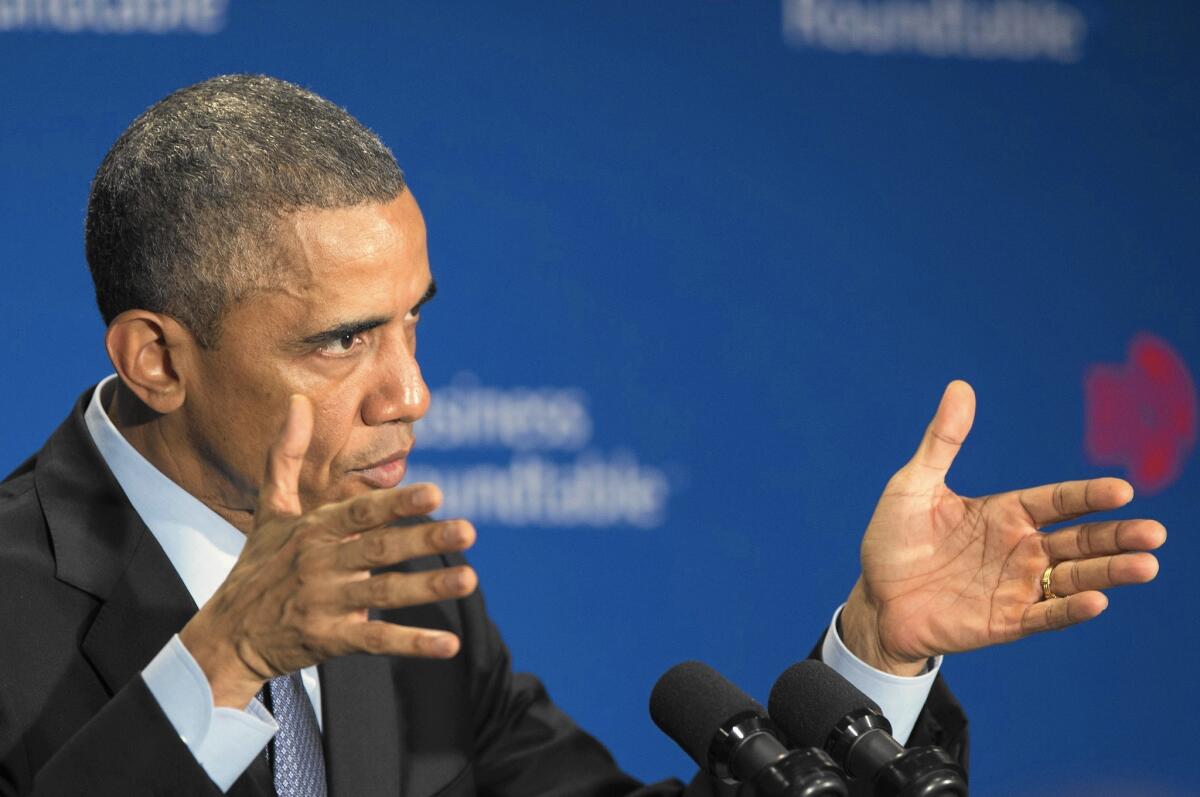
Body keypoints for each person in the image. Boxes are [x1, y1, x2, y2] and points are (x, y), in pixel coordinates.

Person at [0, 75, 1165, 797]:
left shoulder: (407, 592)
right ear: (158, 357)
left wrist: (875, 656)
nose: (412, 393)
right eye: (342, 342)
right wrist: (224, 662)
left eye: (415, 325)